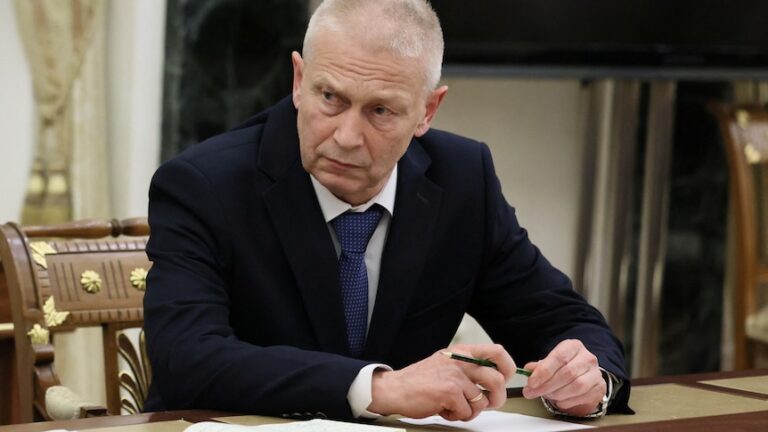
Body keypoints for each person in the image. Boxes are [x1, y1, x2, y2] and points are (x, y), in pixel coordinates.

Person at [143, 0, 631, 422]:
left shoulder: (462, 180)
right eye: (330, 97)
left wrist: (587, 379)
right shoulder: (204, 185)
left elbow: (563, 321)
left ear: (427, 112)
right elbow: (188, 359)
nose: (347, 137)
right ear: (298, 80)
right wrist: (378, 388)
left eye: (381, 111)